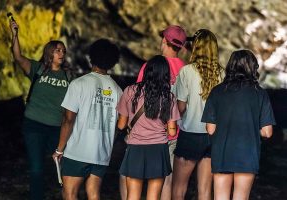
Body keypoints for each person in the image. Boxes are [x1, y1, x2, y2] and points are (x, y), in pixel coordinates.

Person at [118, 25, 187, 200]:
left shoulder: (147, 69)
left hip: (138, 137)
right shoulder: (186, 71)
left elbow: (140, 99)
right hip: (166, 138)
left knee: (130, 184)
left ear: (164, 40)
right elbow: (184, 104)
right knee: (165, 183)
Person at [9, 20, 74, 200]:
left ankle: (68, 196)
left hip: (57, 129)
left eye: (63, 51)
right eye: (58, 50)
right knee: (37, 169)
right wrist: (15, 35)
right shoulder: (38, 69)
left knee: (64, 168)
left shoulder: (69, 75)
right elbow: (18, 57)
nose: (62, 53)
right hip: (34, 126)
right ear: (49, 53)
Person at [52, 38, 122, 200]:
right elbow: (119, 126)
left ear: (91, 57)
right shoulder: (118, 91)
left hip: (78, 151)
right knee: (94, 194)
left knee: (70, 194)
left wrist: (59, 149)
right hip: (102, 153)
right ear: (113, 62)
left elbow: (68, 120)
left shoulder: (79, 84)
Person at [201, 50, 276, 200]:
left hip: (222, 154)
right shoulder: (260, 94)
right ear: (253, 68)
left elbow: (210, 129)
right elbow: (267, 132)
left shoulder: (217, 91)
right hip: (247, 155)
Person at [172, 29, 223, 200]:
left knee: (179, 188)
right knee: (205, 191)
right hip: (214, 136)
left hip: (190, 134)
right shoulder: (222, 74)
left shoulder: (187, 71)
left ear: (196, 46)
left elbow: (180, 107)